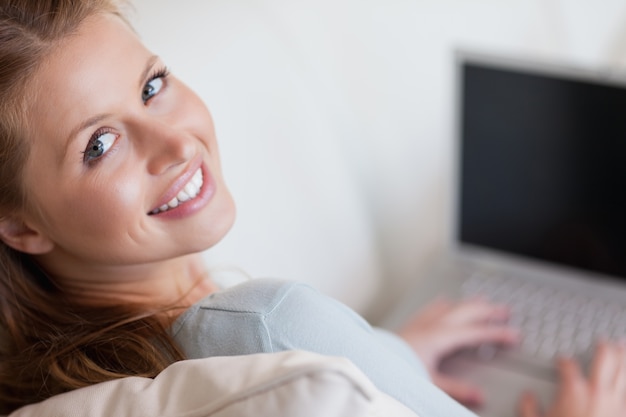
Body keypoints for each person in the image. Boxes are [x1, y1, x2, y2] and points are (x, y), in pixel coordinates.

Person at [0, 0, 624, 415]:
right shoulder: (270, 326)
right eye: (99, 145)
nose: (177, 144)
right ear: (19, 225)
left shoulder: (76, 381)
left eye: (152, 86)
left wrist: (379, 357)